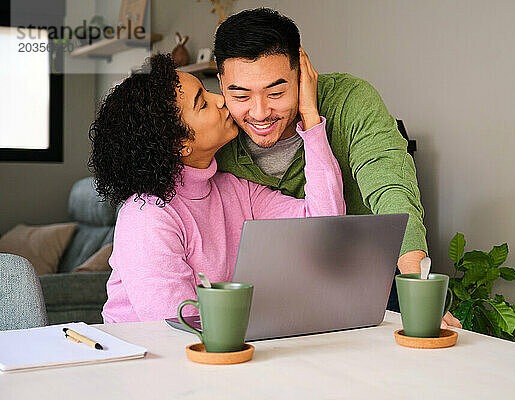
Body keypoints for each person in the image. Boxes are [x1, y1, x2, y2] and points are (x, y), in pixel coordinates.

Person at [213, 8, 461, 328]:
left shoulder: (350, 100)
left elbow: (392, 191)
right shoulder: (217, 133)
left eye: (276, 92)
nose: (260, 113)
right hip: (267, 296)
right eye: (241, 95)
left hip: (371, 282)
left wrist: (420, 289)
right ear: (221, 84)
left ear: (301, 73)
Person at [88, 53, 345, 323]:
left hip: (218, 349)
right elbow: (179, 325)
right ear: (179, 143)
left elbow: (324, 228)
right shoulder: (146, 216)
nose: (221, 100)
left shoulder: (235, 190)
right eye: (202, 103)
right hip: (150, 358)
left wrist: (311, 118)